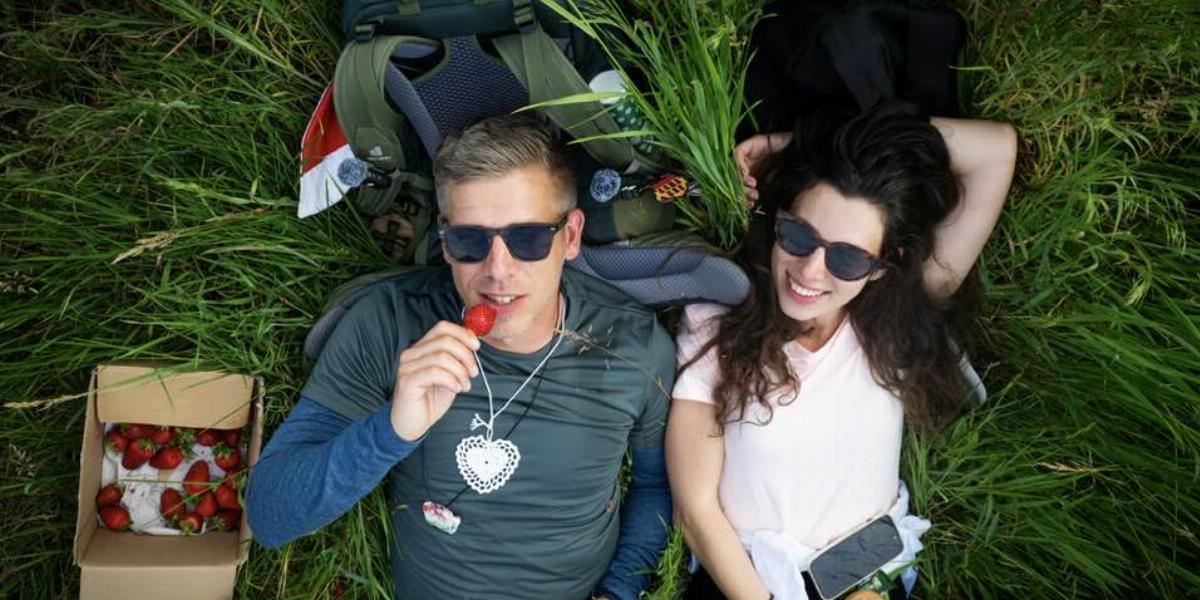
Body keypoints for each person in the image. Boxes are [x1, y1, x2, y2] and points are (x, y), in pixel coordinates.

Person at [247, 114, 677, 600]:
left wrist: (619, 591)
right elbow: (269, 515)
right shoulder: (391, 324)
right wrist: (392, 430)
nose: (497, 271)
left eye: (528, 239)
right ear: (445, 241)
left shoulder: (634, 346)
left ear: (571, 236)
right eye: (470, 241)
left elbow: (655, 484)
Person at [667, 103, 1017, 600]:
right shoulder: (717, 323)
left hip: (866, 580)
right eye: (798, 236)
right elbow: (696, 508)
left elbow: (995, 151)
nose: (810, 271)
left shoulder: (895, 322)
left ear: (881, 266)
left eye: (848, 258)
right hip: (744, 584)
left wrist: (800, 141)